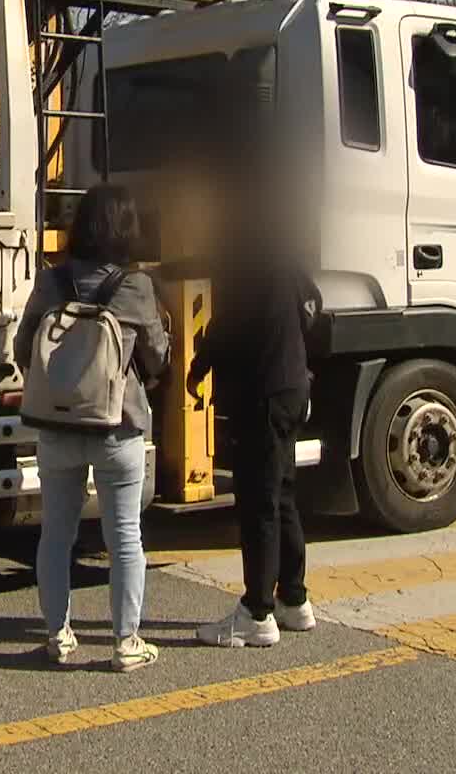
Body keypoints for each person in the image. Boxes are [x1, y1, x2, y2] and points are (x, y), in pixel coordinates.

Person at [14, 185, 171, 672]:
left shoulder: (50, 282)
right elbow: (159, 355)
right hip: (117, 425)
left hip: (56, 426)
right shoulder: (136, 287)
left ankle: (58, 637)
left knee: (55, 535)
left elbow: (24, 349)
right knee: (124, 536)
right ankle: (126, 643)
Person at [187, 174, 322, 649]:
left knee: (258, 503)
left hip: (261, 393)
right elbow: (313, 304)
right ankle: (294, 598)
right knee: (283, 493)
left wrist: (199, 365)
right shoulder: (285, 254)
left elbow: (228, 327)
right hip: (290, 386)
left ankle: (257, 611)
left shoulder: (244, 257)